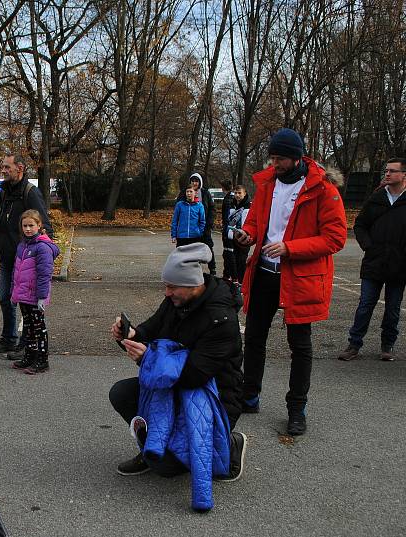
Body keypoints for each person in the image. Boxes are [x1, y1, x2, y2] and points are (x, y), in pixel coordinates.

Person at [108, 244, 246, 496]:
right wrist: (129, 334)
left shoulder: (221, 319)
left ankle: (230, 443)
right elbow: (150, 330)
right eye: (166, 285)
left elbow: (193, 376)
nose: (166, 292)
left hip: (214, 396)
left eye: (172, 287)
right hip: (177, 387)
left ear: (193, 285)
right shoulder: (177, 300)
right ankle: (151, 446)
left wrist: (146, 358)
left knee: (167, 467)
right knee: (121, 393)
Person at [234, 128, 346, 436]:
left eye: (280, 158)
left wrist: (290, 248)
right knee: (254, 337)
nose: (274, 163)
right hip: (264, 273)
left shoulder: (324, 189)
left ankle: (297, 409)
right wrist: (250, 235)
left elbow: (336, 238)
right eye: (272, 157)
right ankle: (250, 395)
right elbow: (257, 220)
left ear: (296, 157)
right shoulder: (268, 183)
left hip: (300, 278)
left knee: (300, 346)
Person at [0, 154, 53, 356]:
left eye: (7, 167)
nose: (2, 170)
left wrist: (44, 253)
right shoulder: (4, 191)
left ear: (19, 168)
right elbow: (8, 220)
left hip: (25, 259)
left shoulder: (30, 192)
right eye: (2, 167)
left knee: (26, 304)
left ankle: (27, 345)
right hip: (6, 256)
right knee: (6, 298)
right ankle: (9, 339)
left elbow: (44, 225)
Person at [338, 157, 406, 362]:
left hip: (399, 264)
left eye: (392, 171)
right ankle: (354, 344)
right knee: (366, 304)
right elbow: (359, 225)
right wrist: (368, 245)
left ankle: (388, 345)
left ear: (404, 175)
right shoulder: (377, 198)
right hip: (374, 262)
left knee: (393, 307)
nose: (387, 174)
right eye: (386, 170)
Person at [9, 210, 60, 374]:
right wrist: (13, 292)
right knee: (29, 328)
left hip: (35, 295)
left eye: (31, 225)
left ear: (39, 225)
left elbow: (45, 274)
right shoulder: (22, 245)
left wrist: (42, 297)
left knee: (39, 328)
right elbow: (16, 272)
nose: (28, 229)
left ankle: (42, 359)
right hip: (23, 295)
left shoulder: (42, 247)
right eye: (25, 226)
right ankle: (30, 356)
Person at [178, 173, 216, 275]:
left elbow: (212, 209)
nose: (195, 183)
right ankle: (189, 270)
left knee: (208, 247)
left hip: (204, 226)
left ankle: (212, 269)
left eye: (197, 181)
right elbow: (179, 209)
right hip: (190, 228)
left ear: (200, 183)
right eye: (193, 181)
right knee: (190, 250)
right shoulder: (184, 193)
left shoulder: (205, 193)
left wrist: (209, 223)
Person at [222, 185, 251, 285]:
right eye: (236, 193)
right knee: (232, 259)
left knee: (242, 261)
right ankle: (235, 280)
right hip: (232, 237)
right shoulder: (232, 205)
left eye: (240, 193)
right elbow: (227, 221)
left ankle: (242, 283)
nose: (237, 195)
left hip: (244, 238)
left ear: (245, 193)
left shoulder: (250, 206)